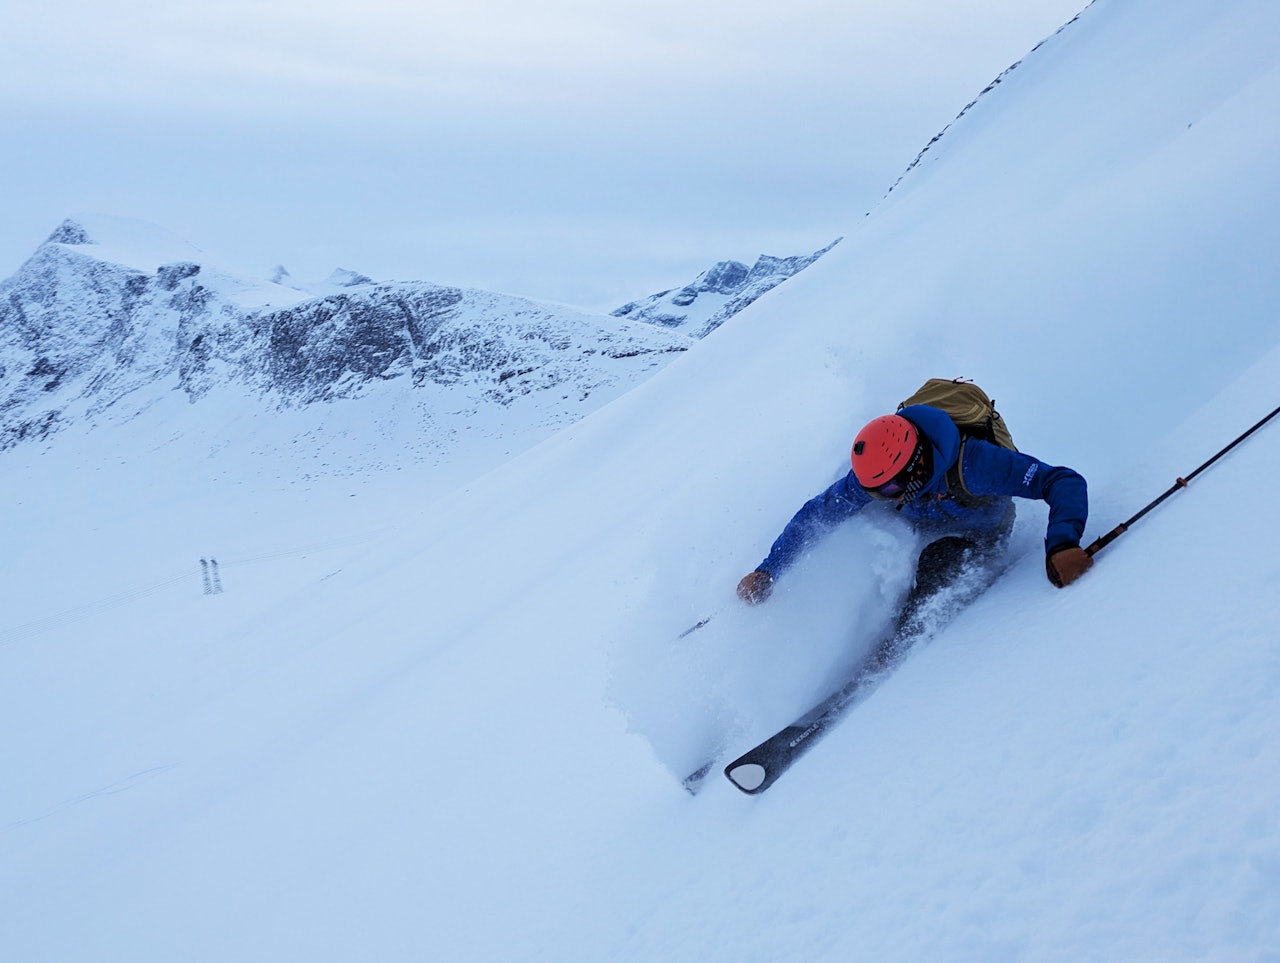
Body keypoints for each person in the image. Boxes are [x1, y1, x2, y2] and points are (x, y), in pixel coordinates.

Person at [736, 402, 1092, 657]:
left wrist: (1062, 543)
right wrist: (769, 570)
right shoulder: (884, 475)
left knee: (938, 561)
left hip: (980, 533)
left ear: (917, 465)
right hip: (929, 523)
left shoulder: (978, 465)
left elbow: (1062, 481)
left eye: (889, 490)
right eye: (875, 491)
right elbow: (819, 514)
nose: (883, 498)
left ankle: (898, 649)